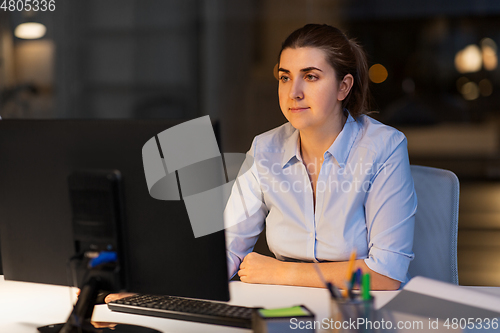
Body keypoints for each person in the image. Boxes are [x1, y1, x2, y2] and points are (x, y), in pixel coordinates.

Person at [224, 24, 417, 291]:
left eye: (311, 77)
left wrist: (280, 272)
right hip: (285, 306)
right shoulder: (264, 149)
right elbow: (229, 247)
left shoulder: (384, 147)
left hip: (359, 310)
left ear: (343, 87)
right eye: (285, 78)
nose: (294, 92)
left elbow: (386, 274)